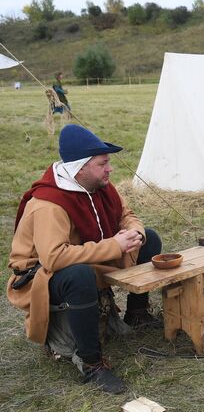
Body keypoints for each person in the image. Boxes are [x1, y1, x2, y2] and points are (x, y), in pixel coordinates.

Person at [7, 124, 162, 394]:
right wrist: (113, 245)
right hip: (41, 276)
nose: (109, 169)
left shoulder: (100, 186)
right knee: (79, 275)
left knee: (150, 238)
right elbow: (54, 258)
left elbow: (127, 215)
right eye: (103, 163)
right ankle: (92, 364)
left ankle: (137, 314)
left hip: (85, 259)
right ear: (80, 168)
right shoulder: (49, 203)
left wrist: (134, 231)